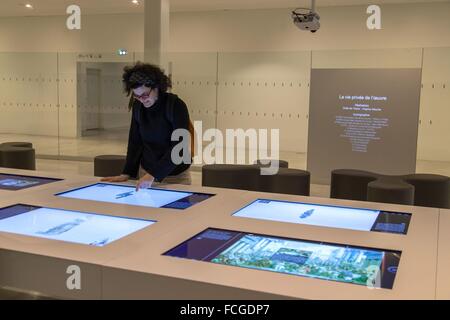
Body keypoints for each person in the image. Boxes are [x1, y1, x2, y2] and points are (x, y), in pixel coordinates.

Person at [101, 62, 192, 190]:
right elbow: (135, 142)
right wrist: (127, 172)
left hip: (175, 176)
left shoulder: (176, 105)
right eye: (137, 96)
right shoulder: (138, 107)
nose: (142, 100)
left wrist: (154, 174)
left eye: (145, 95)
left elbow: (180, 148)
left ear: (156, 87)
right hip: (146, 174)